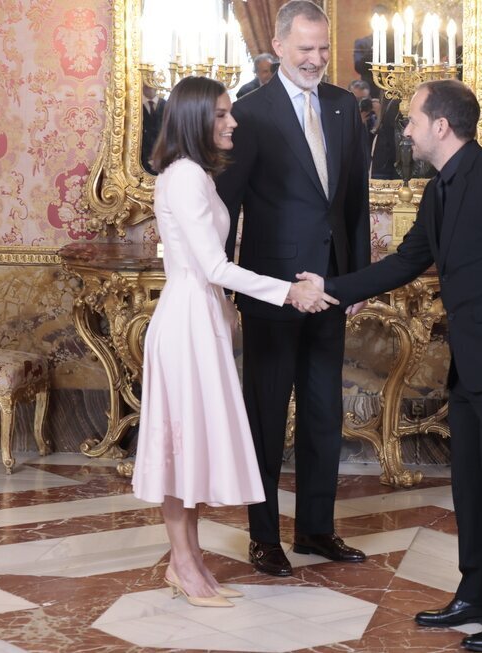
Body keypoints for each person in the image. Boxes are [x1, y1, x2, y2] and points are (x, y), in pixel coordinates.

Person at [311, 79, 482, 652]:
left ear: (440, 127)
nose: (404, 130)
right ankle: (477, 594)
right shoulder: (440, 190)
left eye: (411, 121)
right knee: (472, 487)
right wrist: (333, 288)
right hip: (472, 366)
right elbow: (407, 260)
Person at [132, 76, 337, 608]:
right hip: (185, 324)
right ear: (198, 119)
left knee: (193, 447)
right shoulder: (182, 177)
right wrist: (289, 293)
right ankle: (182, 563)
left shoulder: (195, 174)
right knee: (181, 449)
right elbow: (215, 265)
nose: (233, 122)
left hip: (203, 319)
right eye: (222, 115)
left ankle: (191, 561)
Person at [215, 0, 372, 578]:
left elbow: (353, 201)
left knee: (324, 413)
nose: (317, 59)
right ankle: (263, 536)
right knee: (265, 414)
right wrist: (229, 288)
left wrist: (351, 278)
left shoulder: (341, 107)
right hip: (270, 290)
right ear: (278, 46)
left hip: (329, 286)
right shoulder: (248, 114)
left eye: (323, 48)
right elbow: (227, 208)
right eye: (305, 48)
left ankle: (315, 529)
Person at [140, 84, 166, 175]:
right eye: (146, 85)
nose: (149, 87)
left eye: (151, 84)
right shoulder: (136, 106)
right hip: (141, 157)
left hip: (163, 155)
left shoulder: (166, 105)